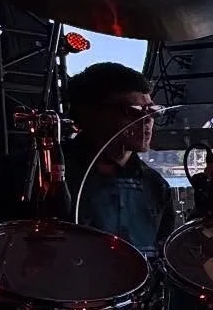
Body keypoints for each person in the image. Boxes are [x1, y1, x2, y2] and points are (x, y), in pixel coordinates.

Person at [61, 61, 176, 262]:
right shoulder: (45, 173)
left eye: (152, 110)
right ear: (91, 113)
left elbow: (165, 255)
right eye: (133, 110)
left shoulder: (155, 185)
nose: (147, 119)